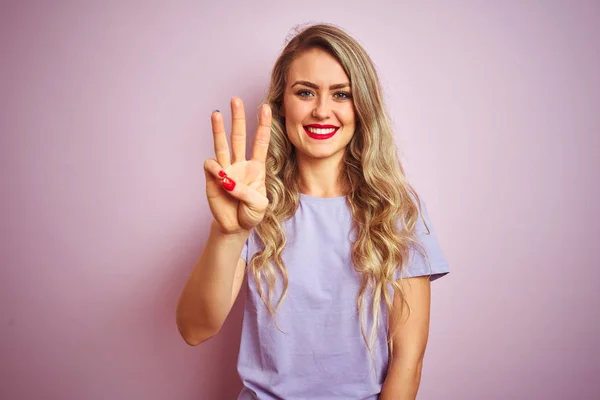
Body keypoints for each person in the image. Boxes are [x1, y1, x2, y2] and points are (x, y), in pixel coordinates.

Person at [176, 23, 450, 400]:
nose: (322, 111)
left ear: (362, 106)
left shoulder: (397, 210)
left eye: (341, 94)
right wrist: (228, 233)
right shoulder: (254, 203)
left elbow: (408, 361)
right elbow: (194, 329)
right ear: (281, 104)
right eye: (305, 92)